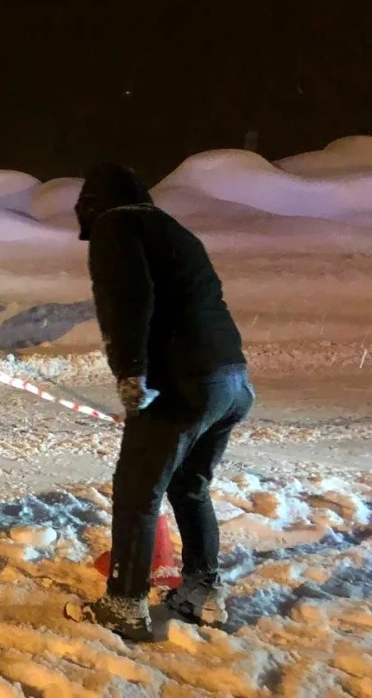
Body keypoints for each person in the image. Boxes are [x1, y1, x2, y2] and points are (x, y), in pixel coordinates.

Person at [73, 163, 252, 641]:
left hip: (183, 382)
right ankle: (202, 592)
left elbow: (127, 298)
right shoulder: (173, 230)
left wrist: (130, 371)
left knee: (137, 491)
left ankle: (125, 605)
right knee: (189, 485)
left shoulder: (117, 225)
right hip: (230, 379)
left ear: (94, 205)